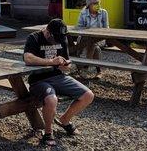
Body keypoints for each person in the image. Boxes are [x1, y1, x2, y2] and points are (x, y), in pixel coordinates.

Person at [23, 18, 94, 146]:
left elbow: (67, 63)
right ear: (48, 32)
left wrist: (65, 65)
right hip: (39, 80)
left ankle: (64, 120)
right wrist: (51, 62)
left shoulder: (62, 38)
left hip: (59, 76)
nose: (58, 40)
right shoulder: (34, 38)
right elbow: (27, 58)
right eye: (55, 38)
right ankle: (48, 132)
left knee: (88, 95)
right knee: (51, 100)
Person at [76, 0, 109, 78]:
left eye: (98, 3)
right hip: (85, 37)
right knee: (95, 47)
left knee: (93, 44)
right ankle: (99, 71)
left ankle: (85, 67)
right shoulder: (83, 13)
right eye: (94, 3)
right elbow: (79, 27)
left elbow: (107, 28)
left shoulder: (104, 12)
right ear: (89, 5)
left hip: (99, 38)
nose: (97, 5)